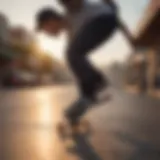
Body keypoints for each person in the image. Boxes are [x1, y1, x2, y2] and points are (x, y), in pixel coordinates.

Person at [36, 0, 136, 126]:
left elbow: (77, 3)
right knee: (74, 55)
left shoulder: (71, 11)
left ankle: (97, 83)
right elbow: (118, 20)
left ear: (50, 21)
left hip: (102, 20)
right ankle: (87, 96)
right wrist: (129, 37)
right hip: (109, 22)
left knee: (72, 53)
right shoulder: (72, 35)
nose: (47, 34)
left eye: (45, 29)